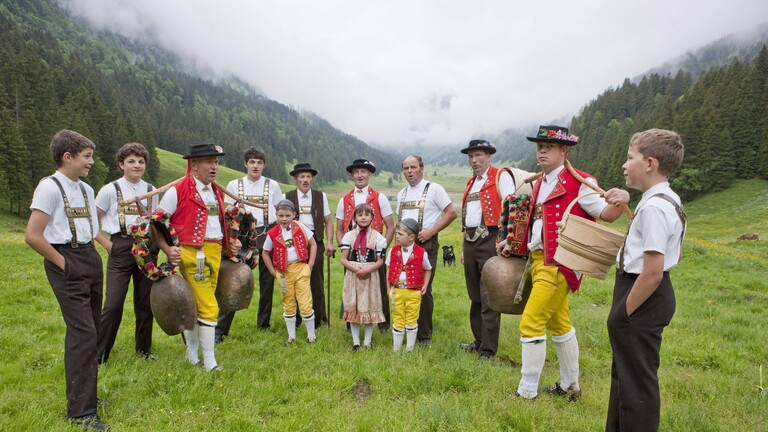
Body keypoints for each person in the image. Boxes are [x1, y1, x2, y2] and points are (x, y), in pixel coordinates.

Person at [512, 125, 627, 400]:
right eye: (539, 146)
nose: (541, 151)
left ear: (564, 151)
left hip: (560, 264)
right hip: (539, 260)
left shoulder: (581, 181)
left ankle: (526, 392)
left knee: (530, 323)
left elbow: (606, 214)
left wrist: (623, 199)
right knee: (559, 324)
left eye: (548, 147)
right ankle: (570, 386)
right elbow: (537, 223)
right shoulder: (538, 182)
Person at [25, 129, 112, 431]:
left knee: (93, 329)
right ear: (68, 156)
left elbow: (92, 227)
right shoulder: (48, 188)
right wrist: (65, 265)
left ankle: (87, 393)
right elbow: (32, 236)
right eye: (86, 156)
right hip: (66, 260)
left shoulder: (86, 190)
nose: (91, 162)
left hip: (90, 257)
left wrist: (98, 254)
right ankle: (81, 412)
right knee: (83, 334)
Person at [602, 129, 685, 431]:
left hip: (642, 295)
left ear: (650, 163)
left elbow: (652, 271)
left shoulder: (654, 208)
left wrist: (624, 313)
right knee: (626, 376)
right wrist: (628, 197)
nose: (624, 165)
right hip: (646, 293)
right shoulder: (662, 199)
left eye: (630, 157)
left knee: (637, 389)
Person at [154, 144, 238, 371]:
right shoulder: (177, 189)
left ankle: (191, 355)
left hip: (214, 251)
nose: (214, 167)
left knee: (196, 305)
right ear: (194, 165)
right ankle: (210, 363)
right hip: (193, 254)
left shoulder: (216, 190)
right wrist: (167, 248)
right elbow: (157, 221)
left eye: (216, 162)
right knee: (210, 307)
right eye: (209, 162)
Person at [459, 139, 530, 359]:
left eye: (478, 155)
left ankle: (488, 350)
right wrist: (464, 247)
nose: (474, 160)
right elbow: (468, 217)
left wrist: (506, 240)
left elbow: (512, 205)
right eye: (471, 156)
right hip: (470, 241)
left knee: (488, 293)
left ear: (488, 156)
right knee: (474, 293)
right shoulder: (471, 183)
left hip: (491, 239)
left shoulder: (501, 176)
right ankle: (478, 340)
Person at [94, 143, 158, 364]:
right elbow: (92, 219)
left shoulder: (151, 189)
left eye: (141, 161)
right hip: (120, 246)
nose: (137, 165)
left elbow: (155, 223)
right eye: (131, 161)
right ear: (121, 164)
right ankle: (100, 355)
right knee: (113, 304)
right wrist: (106, 244)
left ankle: (143, 350)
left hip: (146, 248)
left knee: (145, 302)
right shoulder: (110, 190)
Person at [217, 147, 282, 341]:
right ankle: (220, 329)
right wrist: (231, 238)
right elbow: (228, 212)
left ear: (264, 165)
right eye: (252, 162)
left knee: (267, 281)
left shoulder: (273, 185)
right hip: (243, 237)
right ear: (245, 164)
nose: (255, 166)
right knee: (234, 279)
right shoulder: (234, 184)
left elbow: (280, 212)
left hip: (267, 232)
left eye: (259, 162)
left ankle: (263, 324)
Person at [395, 155, 457, 346]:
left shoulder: (434, 189)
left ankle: (423, 335)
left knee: (422, 288)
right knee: (404, 287)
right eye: (406, 168)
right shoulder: (402, 194)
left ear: (421, 168)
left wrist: (431, 231)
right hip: (404, 247)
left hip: (425, 245)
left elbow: (452, 213)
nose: (409, 171)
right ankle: (406, 326)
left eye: (413, 167)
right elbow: (399, 219)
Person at [335, 159, 395, 331]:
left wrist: (382, 249)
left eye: (363, 171)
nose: (360, 175)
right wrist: (344, 248)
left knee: (379, 286)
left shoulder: (380, 197)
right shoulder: (344, 200)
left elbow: (390, 226)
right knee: (351, 287)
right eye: (356, 172)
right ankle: (351, 322)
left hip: (374, 252)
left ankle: (383, 324)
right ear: (352, 175)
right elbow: (340, 228)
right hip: (352, 252)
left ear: (369, 174)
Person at [284, 163, 335, 328]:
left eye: (308, 177)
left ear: (312, 179)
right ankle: (298, 318)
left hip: (316, 241)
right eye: (301, 177)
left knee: (316, 280)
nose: (305, 180)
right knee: (295, 279)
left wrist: (329, 242)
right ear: (295, 179)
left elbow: (328, 221)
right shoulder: (288, 196)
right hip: (294, 243)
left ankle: (319, 318)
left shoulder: (321, 196)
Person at [261, 199, 318, 344]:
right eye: (281, 216)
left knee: (305, 302)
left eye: (287, 216)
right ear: (276, 215)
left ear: (293, 215)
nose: (284, 219)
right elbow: (265, 252)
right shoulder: (272, 233)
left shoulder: (300, 227)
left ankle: (311, 336)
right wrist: (273, 272)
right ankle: (291, 336)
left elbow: (313, 244)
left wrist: (309, 265)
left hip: (300, 268)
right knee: (288, 301)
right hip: (283, 272)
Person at [339, 203, 388, 350]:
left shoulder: (378, 237)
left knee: (369, 306)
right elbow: (343, 259)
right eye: (359, 215)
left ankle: (367, 341)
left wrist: (368, 269)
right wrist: (356, 269)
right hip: (353, 275)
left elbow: (380, 261)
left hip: (371, 275)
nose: (363, 217)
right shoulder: (348, 236)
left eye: (367, 214)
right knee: (354, 307)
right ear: (354, 218)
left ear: (372, 217)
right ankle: (355, 342)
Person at [385, 218, 432, 352]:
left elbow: (428, 269)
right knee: (397, 318)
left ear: (412, 237)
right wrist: (388, 288)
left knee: (412, 319)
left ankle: (409, 349)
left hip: (413, 292)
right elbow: (388, 268)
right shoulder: (393, 251)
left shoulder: (422, 253)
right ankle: (396, 349)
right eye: (396, 234)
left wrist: (425, 285)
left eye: (400, 234)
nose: (397, 237)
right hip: (397, 291)